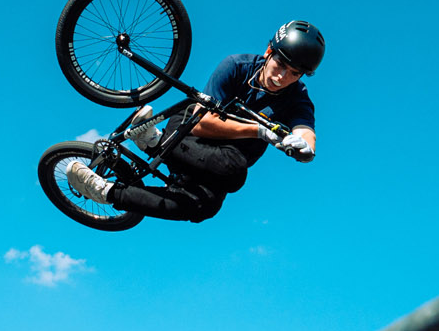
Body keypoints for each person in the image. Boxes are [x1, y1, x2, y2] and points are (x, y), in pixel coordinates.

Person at [65, 21, 323, 223]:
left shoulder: (297, 97)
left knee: (205, 207)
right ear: (269, 51)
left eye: (294, 73)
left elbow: (305, 132)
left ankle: (105, 191)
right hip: (188, 131)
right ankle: (156, 141)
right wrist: (260, 131)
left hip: (215, 165)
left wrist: (304, 149)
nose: (281, 77)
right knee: (235, 171)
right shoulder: (236, 66)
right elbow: (202, 123)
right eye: (280, 64)